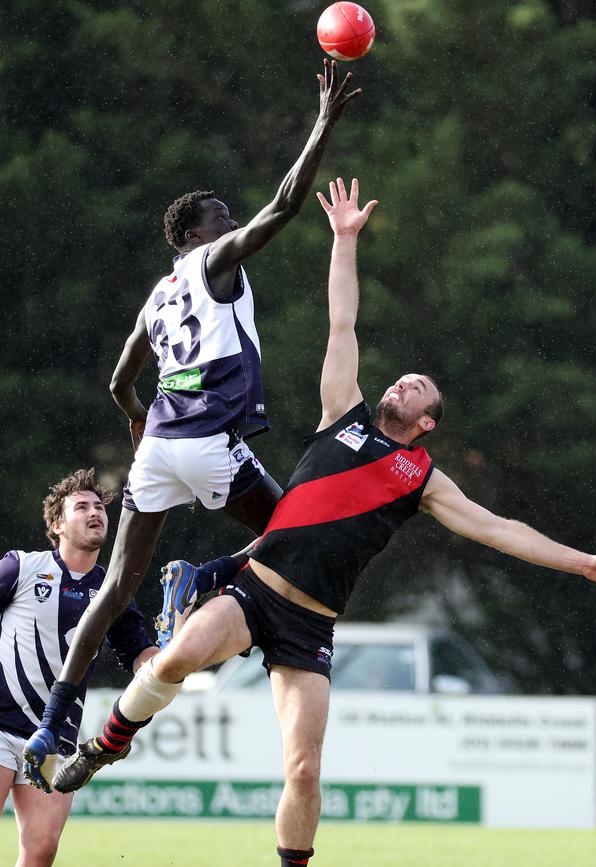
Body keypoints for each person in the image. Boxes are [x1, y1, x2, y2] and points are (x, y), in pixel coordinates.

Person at [50, 181, 596, 867]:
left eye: (416, 388)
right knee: (178, 657)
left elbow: (501, 528)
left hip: (310, 627)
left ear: (425, 425)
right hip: (257, 590)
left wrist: (584, 561)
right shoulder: (343, 412)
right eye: (400, 379)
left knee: (302, 768)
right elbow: (342, 324)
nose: (399, 383)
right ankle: (106, 743)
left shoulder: (421, 478)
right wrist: (345, 241)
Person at [23, 60, 361, 785]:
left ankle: (56, 716)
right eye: (220, 215)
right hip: (209, 443)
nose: (233, 221)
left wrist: (138, 422)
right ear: (195, 233)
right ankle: (201, 577)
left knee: (116, 587)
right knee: (299, 531)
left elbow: (120, 379)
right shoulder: (211, 261)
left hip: (159, 454)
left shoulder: (156, 296)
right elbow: (282, 206)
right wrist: (324, 124)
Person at [0, 469, 156, 866]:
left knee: (41, 852)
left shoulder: (113, 591)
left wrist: (178, 656)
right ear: (57, 524)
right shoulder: (22, 566)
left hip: (58, 738)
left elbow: (141, 657)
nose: (95, 513)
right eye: (81, 506)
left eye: (100, 507)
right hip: (0, 725)